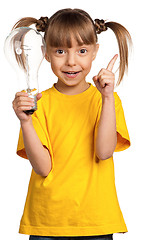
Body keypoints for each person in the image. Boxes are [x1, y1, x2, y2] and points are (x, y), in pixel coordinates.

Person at [12, 8, 132, 240]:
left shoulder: (107, 99)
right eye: (60, 51)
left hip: (95, 220)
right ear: (45, 53)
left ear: (95, 52)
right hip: (46, 220)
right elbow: (42, 168)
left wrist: (107, 98)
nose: (71, 61)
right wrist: (25, 121)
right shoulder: (38, 102)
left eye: (82, 50)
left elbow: (104, 152)